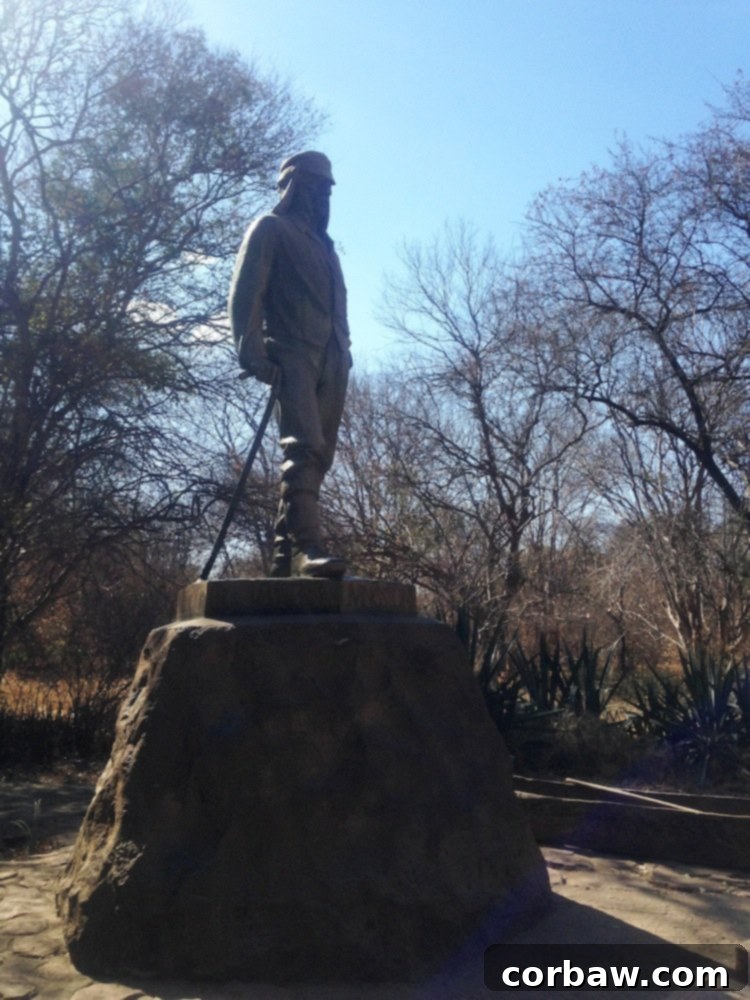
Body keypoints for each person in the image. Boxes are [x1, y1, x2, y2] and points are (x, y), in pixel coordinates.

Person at [228, 151, 351, 578]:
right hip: (292, 350)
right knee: (304, 445)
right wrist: (253, 352)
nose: (321, 196)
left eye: (327, 190)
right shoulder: (271, 229)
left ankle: (284, 555)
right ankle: (307, 546)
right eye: (314, 186)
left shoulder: (326, 247)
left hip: (333, 357)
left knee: (320, 457)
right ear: (294, 185)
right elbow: (247, 293)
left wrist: (344, 352)